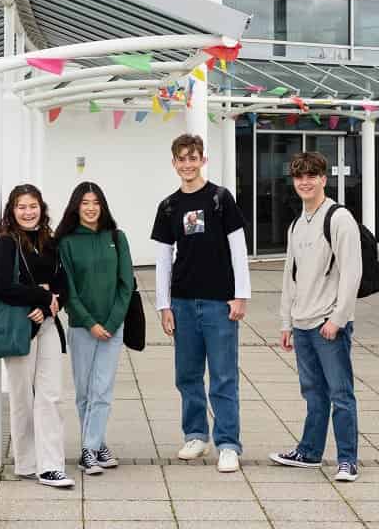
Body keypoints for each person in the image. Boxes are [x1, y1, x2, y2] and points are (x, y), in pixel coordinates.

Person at [151, 133, 249, 472]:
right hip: (182, 303)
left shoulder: (221, 199)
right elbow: (163, 260)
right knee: (188, 375)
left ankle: (228, 444)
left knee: (223, 376)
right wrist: (164, 307)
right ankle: (196, 434)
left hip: (219, 304)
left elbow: (238, 249)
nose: (188, 164)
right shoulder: (168, 207)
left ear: (202, 160)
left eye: (193, 158)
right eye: (182, 159)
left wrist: (240, 295)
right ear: (174, 163)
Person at [270, 150, 362, 482]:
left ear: (324, 179)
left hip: (328, 324)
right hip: (303, 322)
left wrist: (338, 319)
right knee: (313, 393)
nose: (305, 182)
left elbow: (352, 272)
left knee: (341, 393)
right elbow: (289, 275)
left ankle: (348, 459)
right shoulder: (297, 224)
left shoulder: (338, 218)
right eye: (299, 177)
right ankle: (309, 452)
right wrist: (286, 322)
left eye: (312, 176)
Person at [0, 184, 74, 489]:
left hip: (48, 325)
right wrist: (39, 297)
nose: (28, 212)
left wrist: (52, 306)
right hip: (20, 327)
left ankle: (51, 466)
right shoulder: (6, 243)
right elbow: (0, 285)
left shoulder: (50, 241)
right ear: (12, 211)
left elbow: (62, 285)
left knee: (50, 395)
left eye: (33, 206)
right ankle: (26, 463)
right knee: (22, 396)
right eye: (21, 207)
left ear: (42, 207)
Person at [54, 181, 134, 477]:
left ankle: (88, 449)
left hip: (113, 328)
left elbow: (127, 285)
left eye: (95, 202)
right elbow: (69, 291)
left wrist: (110, 323)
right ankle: (97, 444)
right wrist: (90, 323)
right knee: (85, 391)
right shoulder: (66, 242)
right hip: (81, 327)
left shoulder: (117, 237)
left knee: (102, 390)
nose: (90, 208)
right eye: (85, 202)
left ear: (103, 205)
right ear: (76, 206)